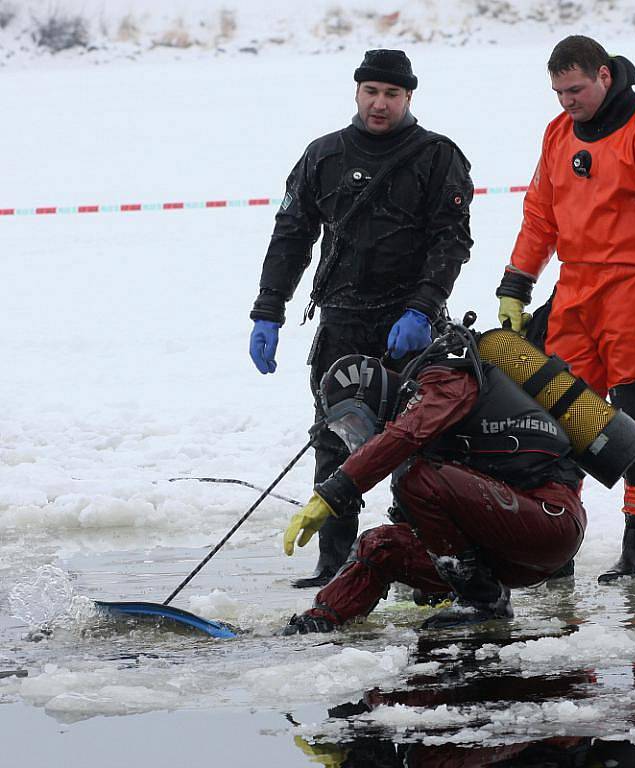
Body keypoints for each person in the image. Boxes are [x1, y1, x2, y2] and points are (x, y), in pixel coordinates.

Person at [248, 49, 474, 588]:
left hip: (412, 328)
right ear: (356, 92)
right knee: (335, 437)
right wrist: (268, 310)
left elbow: (452, 240)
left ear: (408, 98)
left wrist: (422, 306)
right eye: (371, 91)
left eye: (391, 94)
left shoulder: (438, 156)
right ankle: (335, 564)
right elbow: (291, 237)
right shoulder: (323, 155)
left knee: (418, 440)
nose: (380, 103)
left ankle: (425, 560)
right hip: (342, 322)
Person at [496, 36, 635, 583]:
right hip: (576, 289)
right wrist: (516, 286)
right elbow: (540, 216)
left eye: (575, 90)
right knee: (559, 415)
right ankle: (556, 543)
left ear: (604, 76)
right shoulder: (558, 132)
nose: (566, 101)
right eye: (557, 92)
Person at [280, 333, 586, 634]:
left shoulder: (445, 382)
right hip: (506, 546)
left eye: (355, 423)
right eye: (345, 431)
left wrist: (335, 491)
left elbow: (407, 434)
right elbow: (423, 522)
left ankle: (482, 599)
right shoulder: (420, 440)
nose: (356, 437)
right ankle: (324, 618)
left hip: (550, 521)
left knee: (414, 479)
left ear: (376, 398)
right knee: (379, 545)